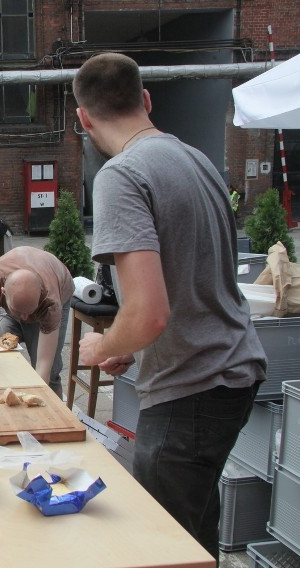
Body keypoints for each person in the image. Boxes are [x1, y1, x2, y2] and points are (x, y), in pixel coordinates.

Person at [73, 52, 266, 561]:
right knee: (195, 539)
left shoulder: (122, 174)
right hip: (232, 373)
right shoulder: (194, 158)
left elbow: (149, 314)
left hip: (191, 391)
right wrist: (132, 352)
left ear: (83, 117)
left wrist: (103, 345)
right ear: (147, 100)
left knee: (166, 551)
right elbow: (195, 280)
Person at [0, 247, 73, 398]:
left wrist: (32, 398)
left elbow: (44, 363)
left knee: (51, 370)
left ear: (40, 295)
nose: (24, 318)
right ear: (3, 292)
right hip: (21, 300)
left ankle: (55, 413)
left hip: (57, 286)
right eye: (19, 311)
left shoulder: (50, 302)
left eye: (29, 312)